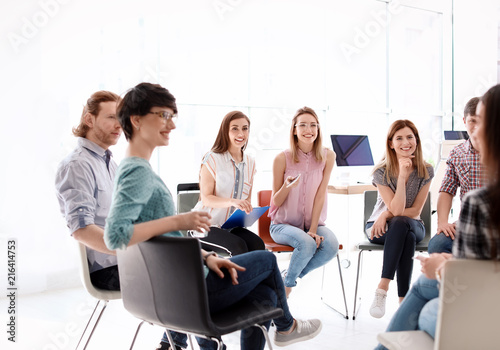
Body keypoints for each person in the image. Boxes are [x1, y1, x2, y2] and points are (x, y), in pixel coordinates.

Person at [103, 83, 322, 350]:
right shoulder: (136, 171)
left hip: (188, 279)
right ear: (136, 120)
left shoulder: (140, 170)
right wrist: (180, 221)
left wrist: (206, 256)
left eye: (172, 116)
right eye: (163, 115)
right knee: (265, 261)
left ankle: (284, 328)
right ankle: (287, 327)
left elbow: (162, 241)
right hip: (187, 291)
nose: (171, 125)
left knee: (266, 294)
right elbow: (115, 236)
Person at [374, 84, 500, 350]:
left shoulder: (482, 202)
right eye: (472, 123)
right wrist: (445, 232)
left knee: (428, 302)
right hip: (475, 268)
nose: (476, 131)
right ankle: (387, 290)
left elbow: (476, 280)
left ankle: (385, 291)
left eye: (483, 123)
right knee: (426, 241)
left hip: (487, 303)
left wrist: (445, 267)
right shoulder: (385, 171)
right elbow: (443, 194)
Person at [365, 119, 434, 318]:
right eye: (399, 138)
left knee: (401, 223)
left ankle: (382, 287)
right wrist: (402, 177)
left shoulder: (426, 170)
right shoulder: (381, 171)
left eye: (410, 137)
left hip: (412, 223)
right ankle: (404, 302)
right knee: (406, 236)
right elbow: (396, 208)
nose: (406, 142)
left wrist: (385, 214)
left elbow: (414, 211)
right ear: (391, 143)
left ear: (417, 140)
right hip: (378, 227)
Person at [268, 106, 339, 298]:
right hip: (282, 225)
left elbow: (320, 194)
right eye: (303, 125)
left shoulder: (328, 156)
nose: (309, 130)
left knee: (331, 246)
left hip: (312, 224)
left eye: (313, 125)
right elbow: (275, 200)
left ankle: (287, 278)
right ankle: (287, 290)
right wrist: (287, 187)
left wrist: (313, 229)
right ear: (294, 129)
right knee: (307, 244)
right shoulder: (281, 158)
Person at [55, 90, 122, 291]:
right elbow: (82, 230)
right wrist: (135, 251)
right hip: (109, 270)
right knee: (190, 279)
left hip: (126, 261)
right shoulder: (77, 165)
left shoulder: (110, 163)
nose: (119, 125)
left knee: (200, 270)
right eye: (111, 117)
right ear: (89, 120)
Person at [192, 110, 265, 256]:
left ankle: (255, 279)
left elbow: (246, 200)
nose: (241, 134)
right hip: (204, 226)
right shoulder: (212, 159)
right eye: (235, 128)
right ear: (225, 131)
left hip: (229, 226)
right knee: (238, 247)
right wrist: (232, 201)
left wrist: (247, 209)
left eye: (245, 128)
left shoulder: (250, 163)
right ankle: (238, 279)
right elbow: (206, 198)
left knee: (258, 245)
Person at [428, 97, 486, 254]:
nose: (477, 126)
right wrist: (443, 223)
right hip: (467, 224)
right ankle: (453, 277)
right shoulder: (457, 154)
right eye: (472, 120)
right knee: (437, 245)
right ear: (464, 121)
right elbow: (447, 191)